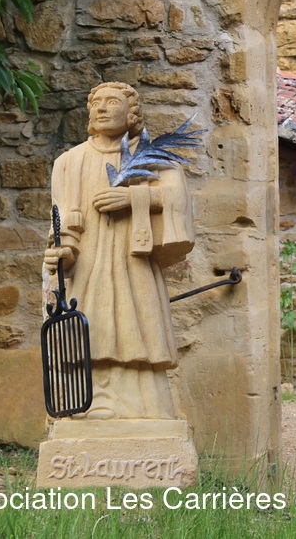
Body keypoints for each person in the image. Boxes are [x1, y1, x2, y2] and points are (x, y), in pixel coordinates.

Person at [43, 82, 195, 420]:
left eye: (112, 102)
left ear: (132, 113)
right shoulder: (69, 162)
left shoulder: (153, 157)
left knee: (138, 322)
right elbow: (62, 217)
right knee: (88, 325)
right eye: (96, 102)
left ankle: (146, 407)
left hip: (132, 259)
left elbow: (177, 198)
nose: (101, 108)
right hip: (88, 262)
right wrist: (62, 252)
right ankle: (89, 403)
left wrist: (133, 198)